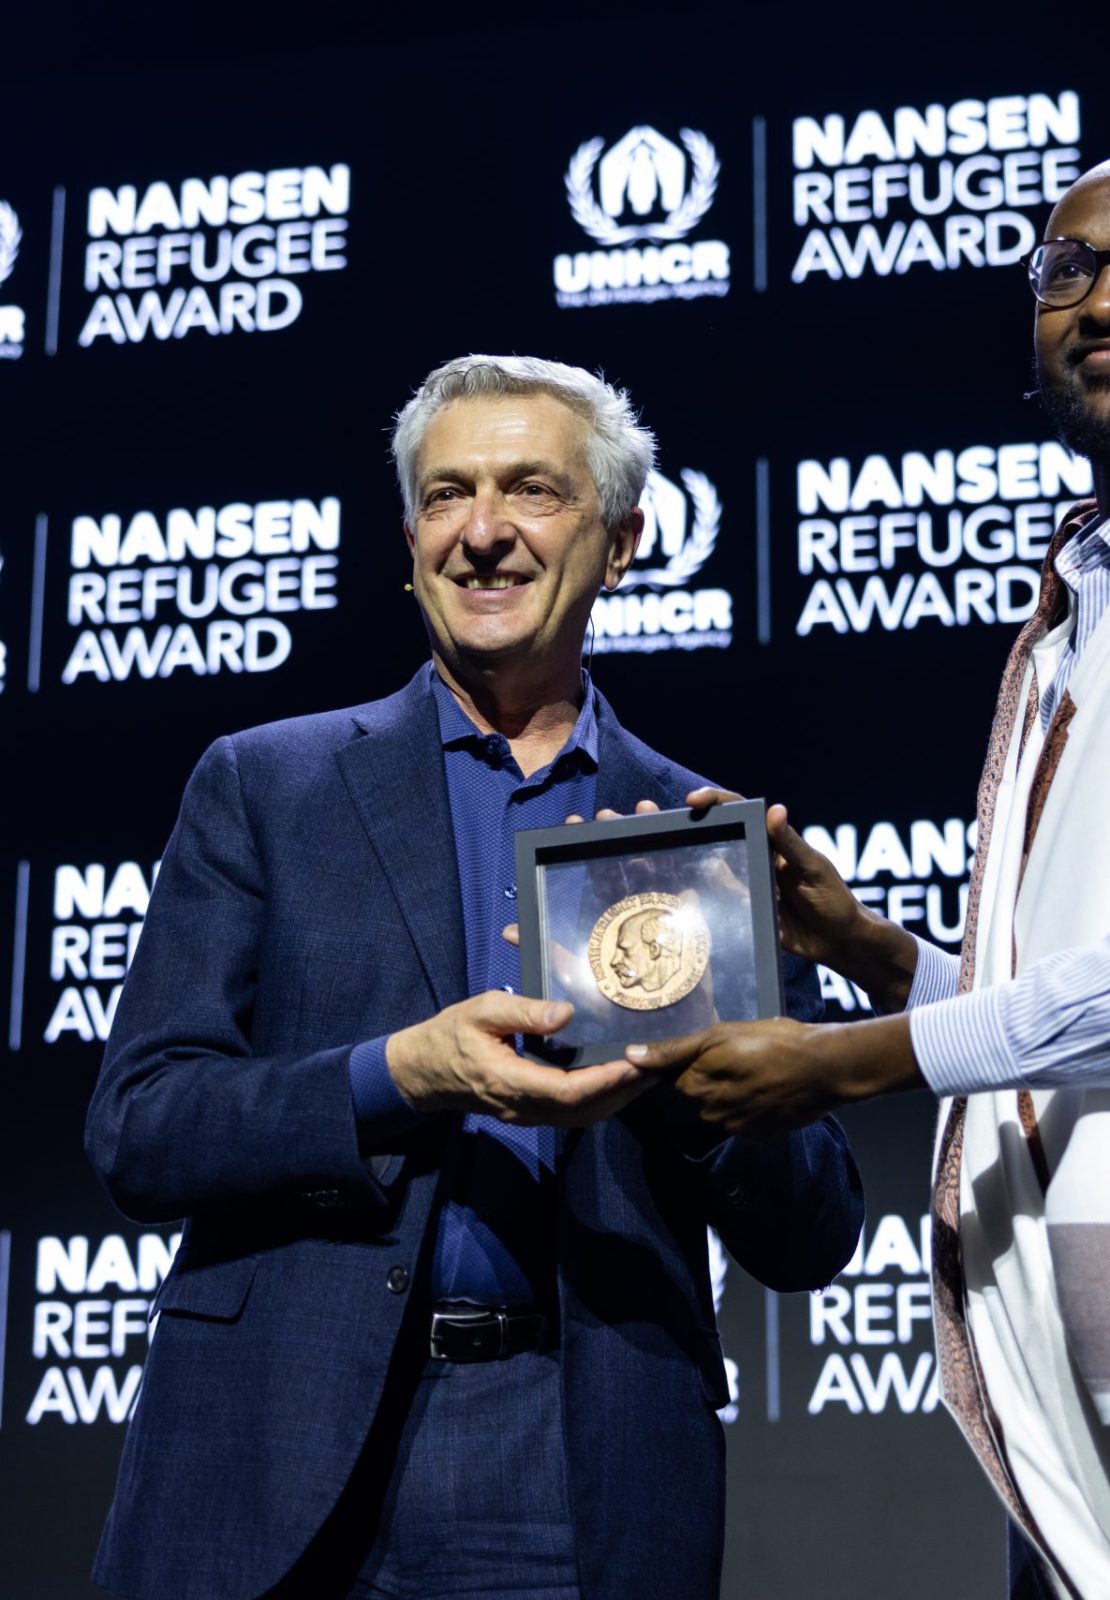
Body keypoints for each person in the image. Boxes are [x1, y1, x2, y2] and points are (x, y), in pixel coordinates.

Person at [85, 354, 863, 1600]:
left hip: (574, 1466)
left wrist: (702, 1080)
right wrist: (395, 1075)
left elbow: (812, 1231)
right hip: (275, 1449)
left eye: (532, 491)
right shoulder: (264, 785)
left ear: (621, 544)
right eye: (447, 495)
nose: (483, 531)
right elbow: (141, 1125)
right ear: (409, 545)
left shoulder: (700, 838)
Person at [628, 166, 1110, 1600]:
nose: (1094, 304)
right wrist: (870, 951)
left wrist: (851, 1059)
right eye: (1066, 270)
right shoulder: (1076, 601)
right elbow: (1064, 1004)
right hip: (1061, 1358)